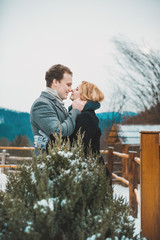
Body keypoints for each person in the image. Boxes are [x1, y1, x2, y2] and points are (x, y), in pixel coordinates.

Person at [30, 64, 86, 152]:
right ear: (55, 82)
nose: (71, 89)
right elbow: (58, 132)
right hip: (49, 163)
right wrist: (75, 111)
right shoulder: (42, 104)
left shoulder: (56, 103)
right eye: (68, 85)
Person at [69, 81, 112, 183]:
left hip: (92, 173)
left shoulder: (86, 117)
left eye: (77, 89)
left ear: (84, 96)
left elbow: (80, 146)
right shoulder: (82, 114)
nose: (72, 90)